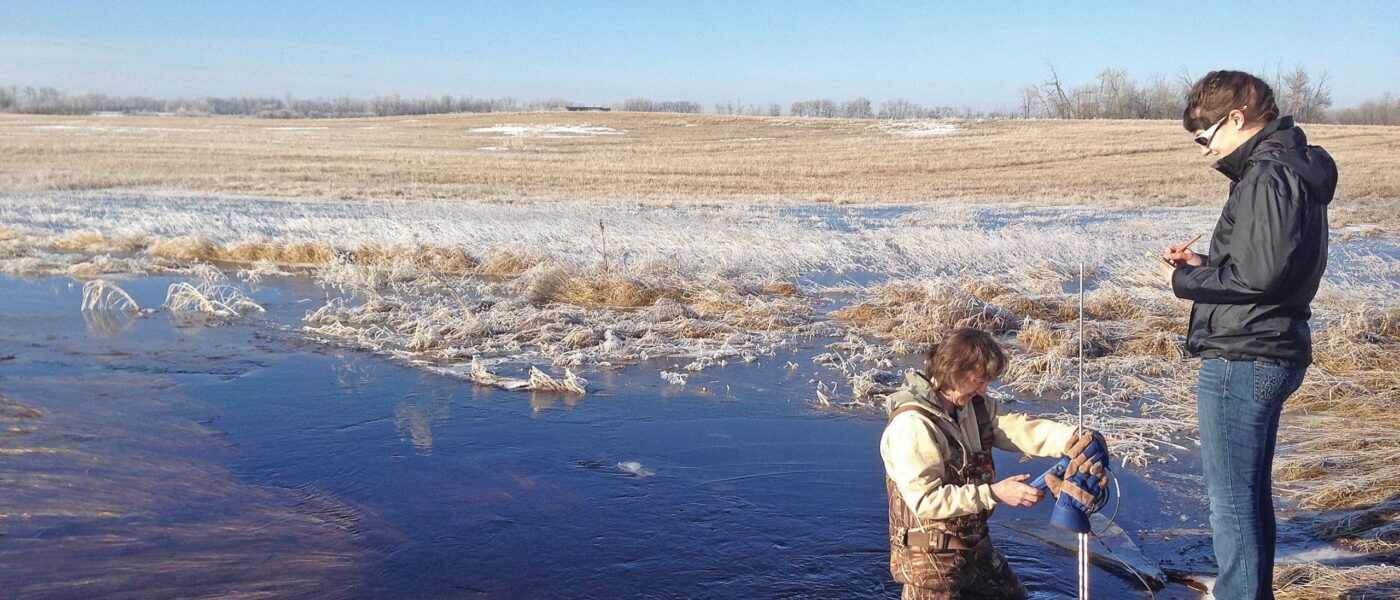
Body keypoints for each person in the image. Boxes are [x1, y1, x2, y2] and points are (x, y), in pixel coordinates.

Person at [1162, 70, 1336, 600]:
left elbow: (1258, 279)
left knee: (1232, 500)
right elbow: (1263, 267)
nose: (1203, 150)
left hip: (1246, 354)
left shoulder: (1268, 176)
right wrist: (1207, 261)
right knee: (1247, 493)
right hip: (1266, 345)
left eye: (1204, 136)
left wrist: (1186, 278)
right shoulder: (1286, 169)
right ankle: (1244, 588)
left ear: (1236, 119)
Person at [880, 327, 1108, 599]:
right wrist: (995, 493)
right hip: (930, 564)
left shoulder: (974, 407)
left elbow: (1019, 429)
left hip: (975, 549)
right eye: (978, 381)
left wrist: (1071, 438)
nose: (984, 389)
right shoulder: (912, 425)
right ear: (954, 373)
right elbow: (926, 500)